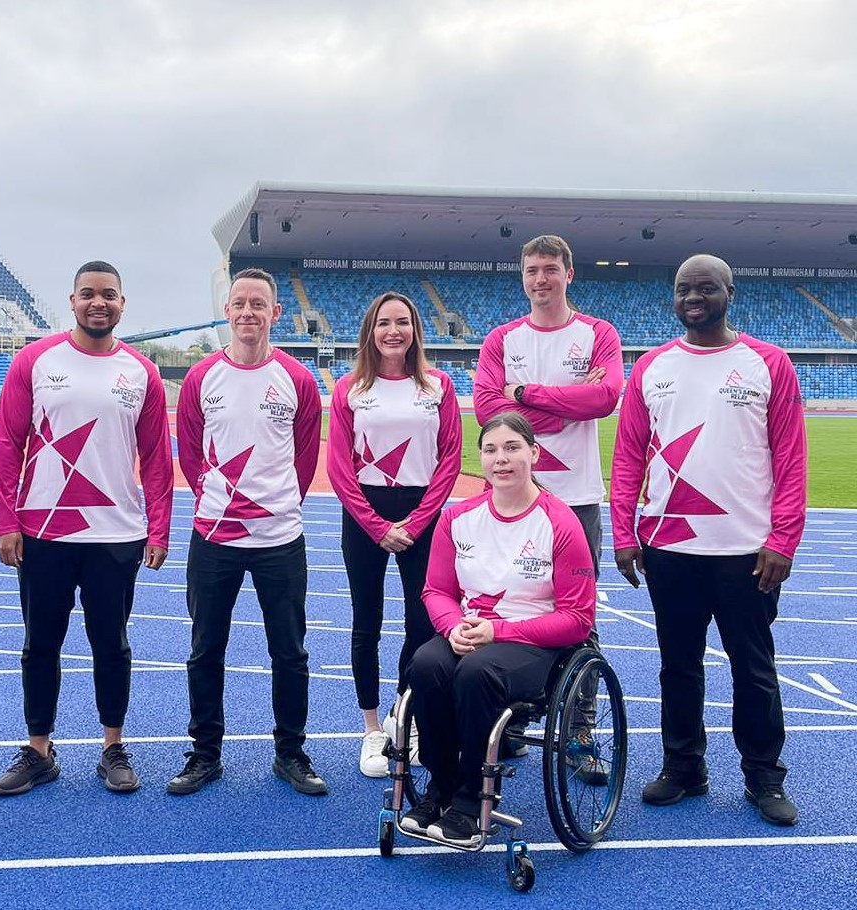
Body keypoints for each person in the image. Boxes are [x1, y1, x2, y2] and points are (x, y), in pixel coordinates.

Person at [610, 254, 806, 827]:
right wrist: (624, 530)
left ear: (730, 292)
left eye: (705, 288)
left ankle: (764, 776)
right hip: (670, 547)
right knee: (678, 664)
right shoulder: (652, 367)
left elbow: (791, 462)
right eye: (682, 289)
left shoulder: (768, 363)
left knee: (753, 668)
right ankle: (683, 767)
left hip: (747, 551)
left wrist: (783, 540)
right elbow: (627, 458)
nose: (693, 297)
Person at [0, 261, 173, 795]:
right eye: (88, 294)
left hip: (116, 534)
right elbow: (7, 444)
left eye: (109, 295)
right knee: (39, 645)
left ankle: (113, 746)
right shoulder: (35, 361)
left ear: (122, 304)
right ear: (71, 301)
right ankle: (39, 750)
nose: (99, 303)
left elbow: (157, 457)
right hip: (43, 532)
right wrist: (7, 521)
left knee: (111, 645)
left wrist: (158, 528)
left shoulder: (141, 372)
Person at [400, 413, 595, 847]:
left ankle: (470, 799)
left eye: (512, 448)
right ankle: (441, 786)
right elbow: (436, 591)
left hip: (533, 641)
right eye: (491, 450)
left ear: (534, 454)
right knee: (426, 663)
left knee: (476, 673)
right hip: (468, 631)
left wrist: (498, 631)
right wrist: (452, 628)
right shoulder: (458, 519)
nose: (500, 459)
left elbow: (578, 619)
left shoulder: (560, 523)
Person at [167, 267, 326, 797]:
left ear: (275, 313)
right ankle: (205, 753)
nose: (248, 313)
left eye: (259, 304)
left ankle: (290, 752)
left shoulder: (299, 381)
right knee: (206, 648)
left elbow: (305, 461)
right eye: (240, 303)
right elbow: (189, 455)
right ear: (228, 311)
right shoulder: (201, 378)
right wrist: (223, 506)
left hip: (280, 539)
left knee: (290, 651)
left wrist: (274, 508)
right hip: (214, 538)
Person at [326, 291, 462, 777]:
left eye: (402, 322)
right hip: (366, 517)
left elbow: (449, 461)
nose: (393, 331)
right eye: (384, 323)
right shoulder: (350, 389)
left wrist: (418, 522)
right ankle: (369, 730)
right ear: (371, 330)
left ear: (414, 331)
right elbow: (339, 469)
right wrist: (378, 527)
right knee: (367, 622)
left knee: (421, 625)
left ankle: (406, 717)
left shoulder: (438, 386)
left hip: (421, 517)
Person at [473, 234, 622, 574]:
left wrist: (523, 394)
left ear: (569, 274)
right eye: (532, 271)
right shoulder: (502, 338)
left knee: (579, 607)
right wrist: (567, 412)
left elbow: (604, 398)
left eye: (551, 269)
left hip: (577, 497)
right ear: (523, 277)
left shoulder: (598, 333)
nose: (541, 279)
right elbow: (485, 411)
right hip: (510, 495)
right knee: (507, 597)